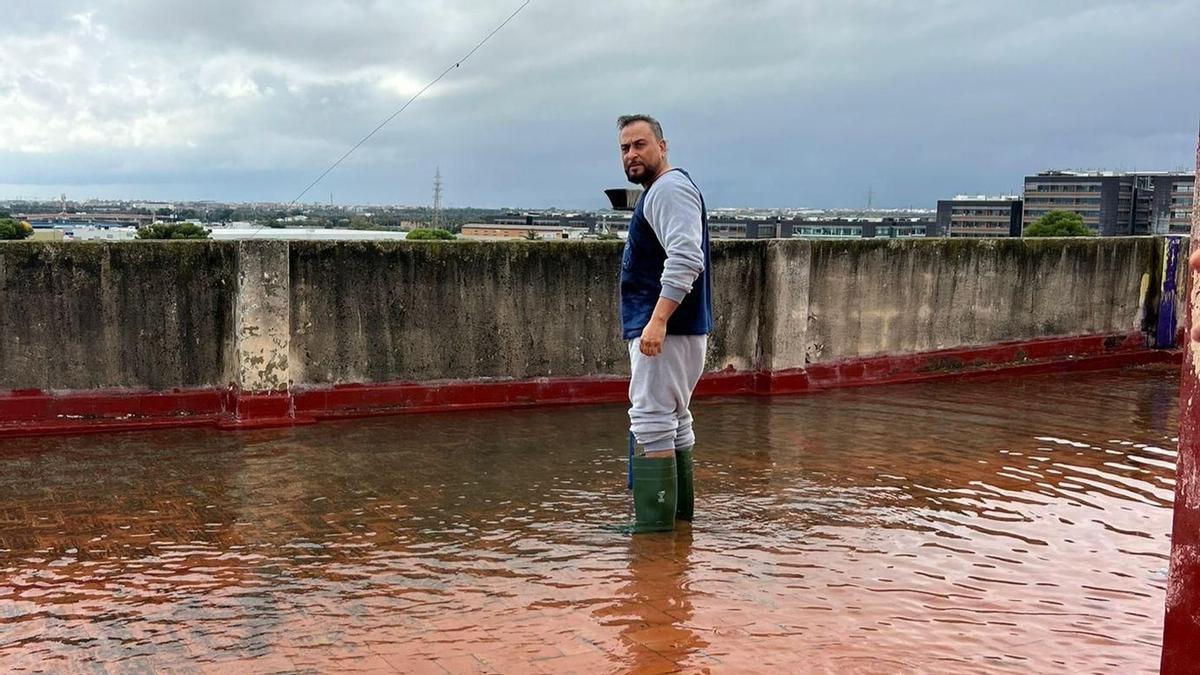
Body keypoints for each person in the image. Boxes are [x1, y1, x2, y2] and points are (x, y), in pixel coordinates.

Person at [616, 114, 713, 533]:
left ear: (663, 146)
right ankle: (677, 529)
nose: (632, 154)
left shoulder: (669, 189)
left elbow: (688, 258)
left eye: (640, 144)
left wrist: (656, 322)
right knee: (672, 421)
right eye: (625, 148)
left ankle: (654, 543)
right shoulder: (664, 191)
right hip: (680, 329)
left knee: (653, 423)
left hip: (666, 331)